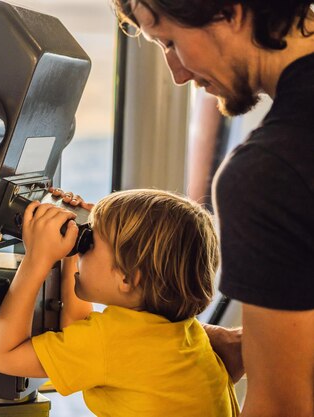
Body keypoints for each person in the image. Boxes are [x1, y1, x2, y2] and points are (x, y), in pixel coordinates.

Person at [108, 2, 314, 416]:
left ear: (228, 12)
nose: (178, 74)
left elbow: (283, 408)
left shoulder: (266, 175)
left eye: (169, 41)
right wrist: (252, 343)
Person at [0, 189, 240, 417]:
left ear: (128, 278)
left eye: (89, 242)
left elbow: (2, 355)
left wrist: (36, 260)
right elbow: (78, 333)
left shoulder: (112, 342)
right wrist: (68, 254)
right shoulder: (183, 334)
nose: (81, 246)